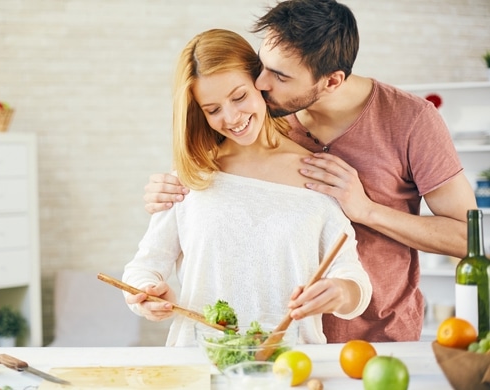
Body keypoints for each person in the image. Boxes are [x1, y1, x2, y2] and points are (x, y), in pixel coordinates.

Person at [143, 0, 478, 343]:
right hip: (286, 341)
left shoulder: (411, 121)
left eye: (280, 76)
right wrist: (168, 187)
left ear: (332, 81)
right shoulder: (260, 112)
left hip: (377, 333)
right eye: (262, 65)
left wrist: (368, 211)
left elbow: (469, 238)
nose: (260, 82)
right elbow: (208, 173)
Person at [123, 28, 372, 347]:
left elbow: (355, 282)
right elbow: (144, 267)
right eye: (212, 109)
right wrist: (144, 292)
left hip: (293, 366)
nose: (231, 117)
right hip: (202, 362)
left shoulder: (317, 173)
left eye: (239, 97)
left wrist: (340, 293)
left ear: (261, 83)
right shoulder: (192, 177)